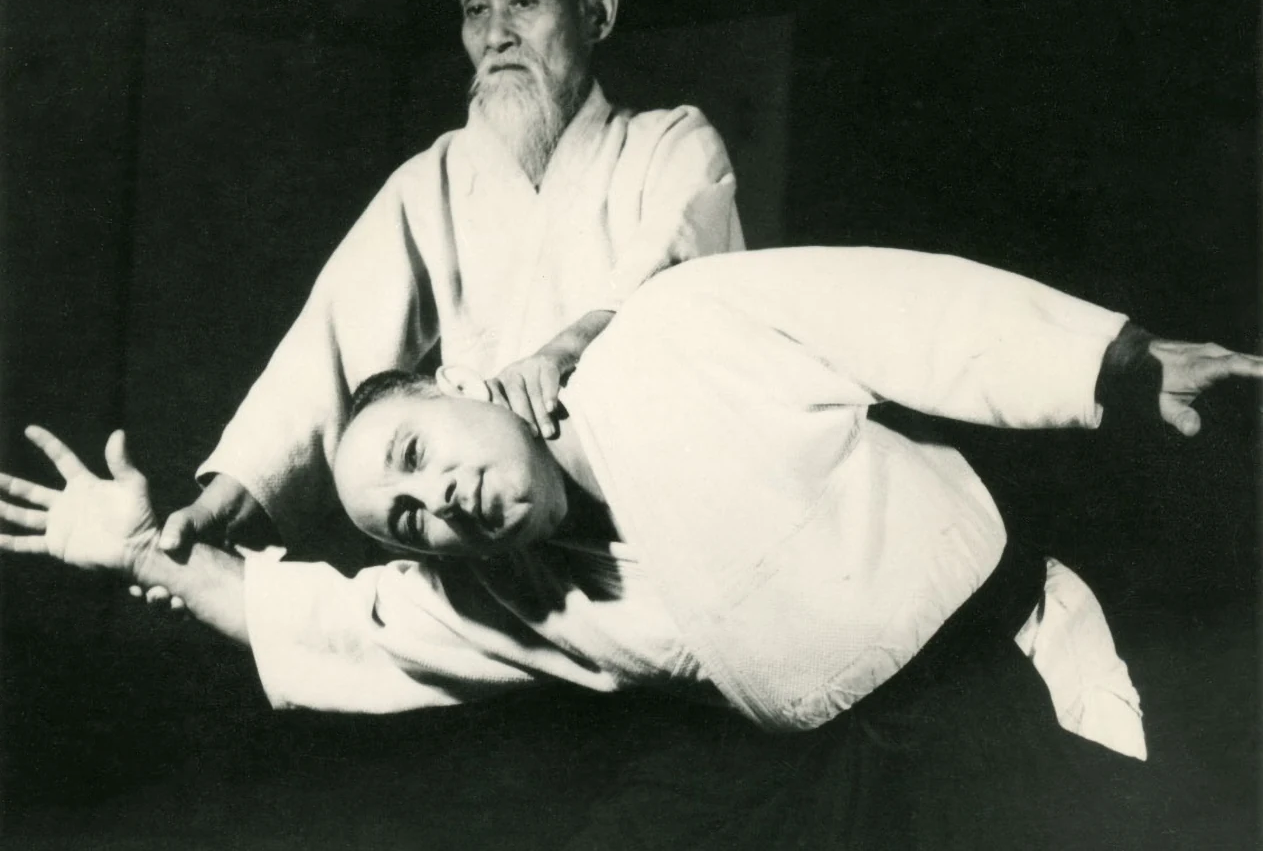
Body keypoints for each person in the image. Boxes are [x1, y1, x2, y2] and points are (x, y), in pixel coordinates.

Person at [3, 246, 1259, 846]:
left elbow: (905, 309)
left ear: (464, 385)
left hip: (1011, 669)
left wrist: (1111, 361)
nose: (442, 501)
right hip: (848, 782)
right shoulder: (499, 593)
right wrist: (141, 551)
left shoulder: (674, 330)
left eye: (418, 452)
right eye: (409, 520)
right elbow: (329, 622)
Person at [156, 0, 744, 564]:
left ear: (597, 14)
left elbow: (671, 277)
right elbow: (327, 349)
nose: (495, 36)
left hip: (657, 526)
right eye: (475, 9)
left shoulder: (671, 143)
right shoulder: (430, 181)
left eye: (523, 3)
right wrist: (223, 504)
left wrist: (566, 349)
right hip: (498, 542)